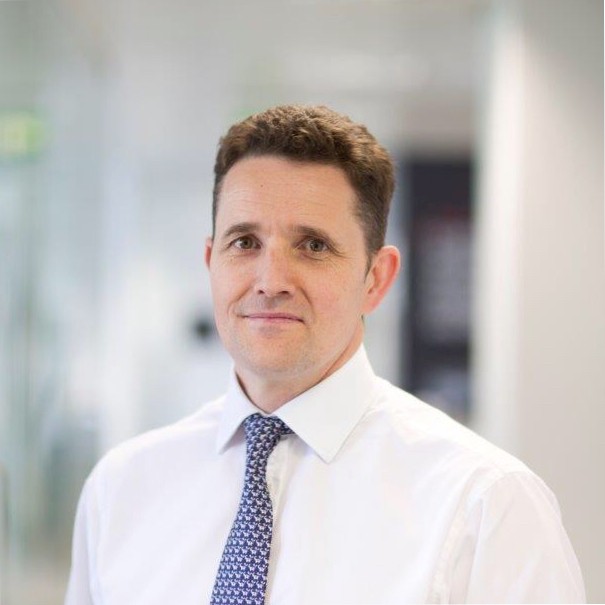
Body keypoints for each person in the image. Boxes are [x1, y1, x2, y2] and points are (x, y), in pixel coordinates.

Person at [65, 105, 585, 604]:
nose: (270, 281)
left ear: (375, 279)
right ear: (210, 261)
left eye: (313, 246)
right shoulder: (121, 490)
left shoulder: (484, 506)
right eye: (244, 242)